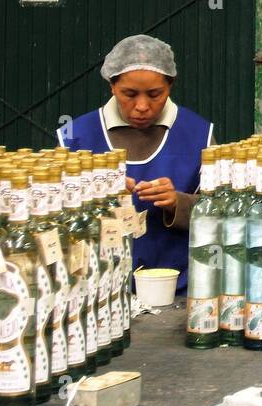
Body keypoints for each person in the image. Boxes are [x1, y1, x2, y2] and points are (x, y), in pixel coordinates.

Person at [58, 35, 213, 290]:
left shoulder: (199, 135)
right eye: (129, 94)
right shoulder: (75, 138)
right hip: (94, 291)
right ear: (112, 85)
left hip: (178, 291)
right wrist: (97, 195)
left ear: (170, 86)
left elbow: (223, 213)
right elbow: (52, 218)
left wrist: (178, 203)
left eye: (155, 94)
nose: (142, 106)